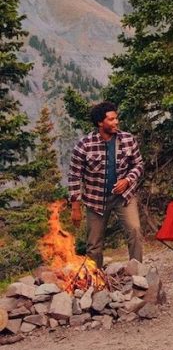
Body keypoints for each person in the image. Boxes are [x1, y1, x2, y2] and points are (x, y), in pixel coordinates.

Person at [68, 101, 145, 267]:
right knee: (94, 243)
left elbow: (139, 165)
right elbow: (74, 175)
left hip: (124, 196)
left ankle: (137, 272)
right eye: (111, 119)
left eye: (116, 118)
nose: (116, 122)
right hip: (96, 200)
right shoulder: (84, 145)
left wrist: (127, 180)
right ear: (100, 123)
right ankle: (96, 279)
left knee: (135, 231)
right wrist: (75, 207)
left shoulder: (128, 139)